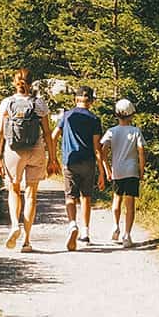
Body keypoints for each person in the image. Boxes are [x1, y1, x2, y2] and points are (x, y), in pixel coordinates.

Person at [0, 68, 57, 252]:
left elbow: (0, 132)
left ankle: (15, 225)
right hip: (36, 150)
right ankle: (27, 241)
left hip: (14, 151)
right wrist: (52, 158)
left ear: (15, 83)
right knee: (31, 195)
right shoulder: (39, 103)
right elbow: (47, 133)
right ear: (31, 83)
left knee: (14, 189)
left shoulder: (7, 103)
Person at [55, 85, 105, 251]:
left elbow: (53, 136)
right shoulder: (94, 119)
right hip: (88, 162)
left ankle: (72, 224)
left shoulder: (66, 116)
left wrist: (52, 158)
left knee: (70, 196)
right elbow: (97, 148)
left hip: (70, 160)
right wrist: (102, 172)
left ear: (75, 99)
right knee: (86, 197)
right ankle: (85, 233)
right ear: (91, 101)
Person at [99, 97, 146, 246]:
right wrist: (141, 170)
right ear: (132, 114)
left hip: (117, 171)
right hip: (131, 170)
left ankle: (115, 226)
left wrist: (107, 169)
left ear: (116, 114)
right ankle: (127, 235)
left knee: (116, 199)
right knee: (130, 204)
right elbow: (141, 152)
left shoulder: (111, 131)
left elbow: (102, 152)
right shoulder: (136, 131)